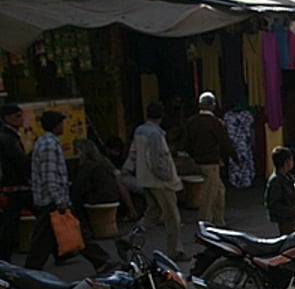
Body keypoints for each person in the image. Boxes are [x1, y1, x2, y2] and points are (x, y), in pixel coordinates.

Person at [25, 110, 114, 272]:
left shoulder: (45, 143)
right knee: (46, 239)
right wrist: (59, 200)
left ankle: (100, 261)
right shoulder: (49, 146)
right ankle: (29, 271)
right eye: (61, 124)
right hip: (52, 200)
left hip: (52, 198)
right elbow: (49, 176)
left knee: (70, 232)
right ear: (56, 125)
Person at [125, 101, 187, 261]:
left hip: (145, 179)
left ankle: (129, 238)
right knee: (172, 218)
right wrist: (167, 176)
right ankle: (175, 251)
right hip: (160, 182)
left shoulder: (140, 131)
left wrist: (129, 168)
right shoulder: (155, 134)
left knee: (152, 213)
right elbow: (156, 159)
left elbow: (133, 153)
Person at [181, 91, 238, 227]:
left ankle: (219, 220)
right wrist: (236, 158)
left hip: (198, 161)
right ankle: (205, 222)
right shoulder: (214, 122)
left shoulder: (191, 122)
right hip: (210, 162)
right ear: (213, 106)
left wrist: (193, 155)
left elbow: (185, 143)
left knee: (219, 190)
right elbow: (225, 142)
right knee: (209, 194)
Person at [70, 139, 124, 242]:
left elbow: (79, 187)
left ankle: (84, 230)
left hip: (100, 196)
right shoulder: (101, 162)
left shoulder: (87, 166)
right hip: (110, 194)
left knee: (76, 202)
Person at [0, 103, 32, 262]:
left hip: (16, 185)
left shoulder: (11, 136)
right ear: (7, 118)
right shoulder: (7, 138)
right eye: (17, 116)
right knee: (10, 224)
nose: (21, 119)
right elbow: (20, 162)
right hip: (16, 186)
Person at [265, 147, 295, 234]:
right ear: (286, 162)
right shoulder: (275, 181)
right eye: (291, 159)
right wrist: (293, 212)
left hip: (293, 220)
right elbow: (273, 206)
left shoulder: (288, 177)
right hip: (285, 221)